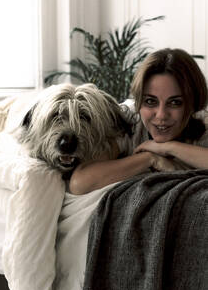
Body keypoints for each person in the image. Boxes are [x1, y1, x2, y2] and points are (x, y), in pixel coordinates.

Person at [69, 48, 208, 195]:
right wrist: (150, 158)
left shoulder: (201, 123)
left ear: (192, 104)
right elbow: (79, 183)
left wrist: (169, 147)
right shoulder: (128, 120)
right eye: (150, 101)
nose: (161, 115)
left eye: (175, 103)